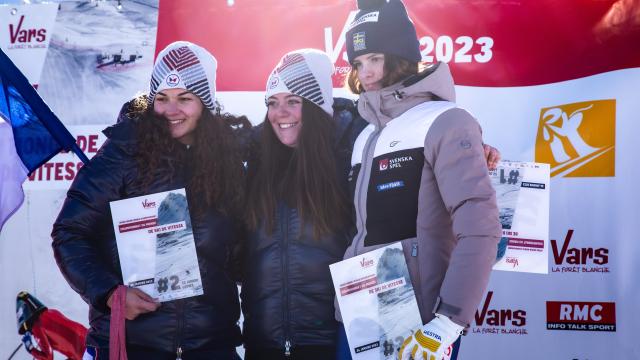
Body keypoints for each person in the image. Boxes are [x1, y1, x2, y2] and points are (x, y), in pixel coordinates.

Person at [51, 41, 247, 359]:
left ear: (206, 103)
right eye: (162, 98)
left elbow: (238, 253)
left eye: (185, 98)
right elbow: (70, 233)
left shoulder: (227, 164)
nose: (172, 110)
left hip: (209, 345)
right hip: (134, 345)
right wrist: (110, 293)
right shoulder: (124, 152)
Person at [337, 0, 502, 359]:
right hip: (363, 316)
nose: (366, 72)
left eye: (375, 58)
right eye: (358, 62)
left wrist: (448, 322)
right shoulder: (365, 136)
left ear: (401, 57)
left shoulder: (445, 121)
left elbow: (481, 227)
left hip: (420, 326)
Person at [240, 48, 356, 360]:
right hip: (264, 344)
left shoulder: (350, 154)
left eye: (294, 101)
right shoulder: (253, 160)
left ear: (317, 108)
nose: (281, 113)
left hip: (332, 343)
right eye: (273, 103)